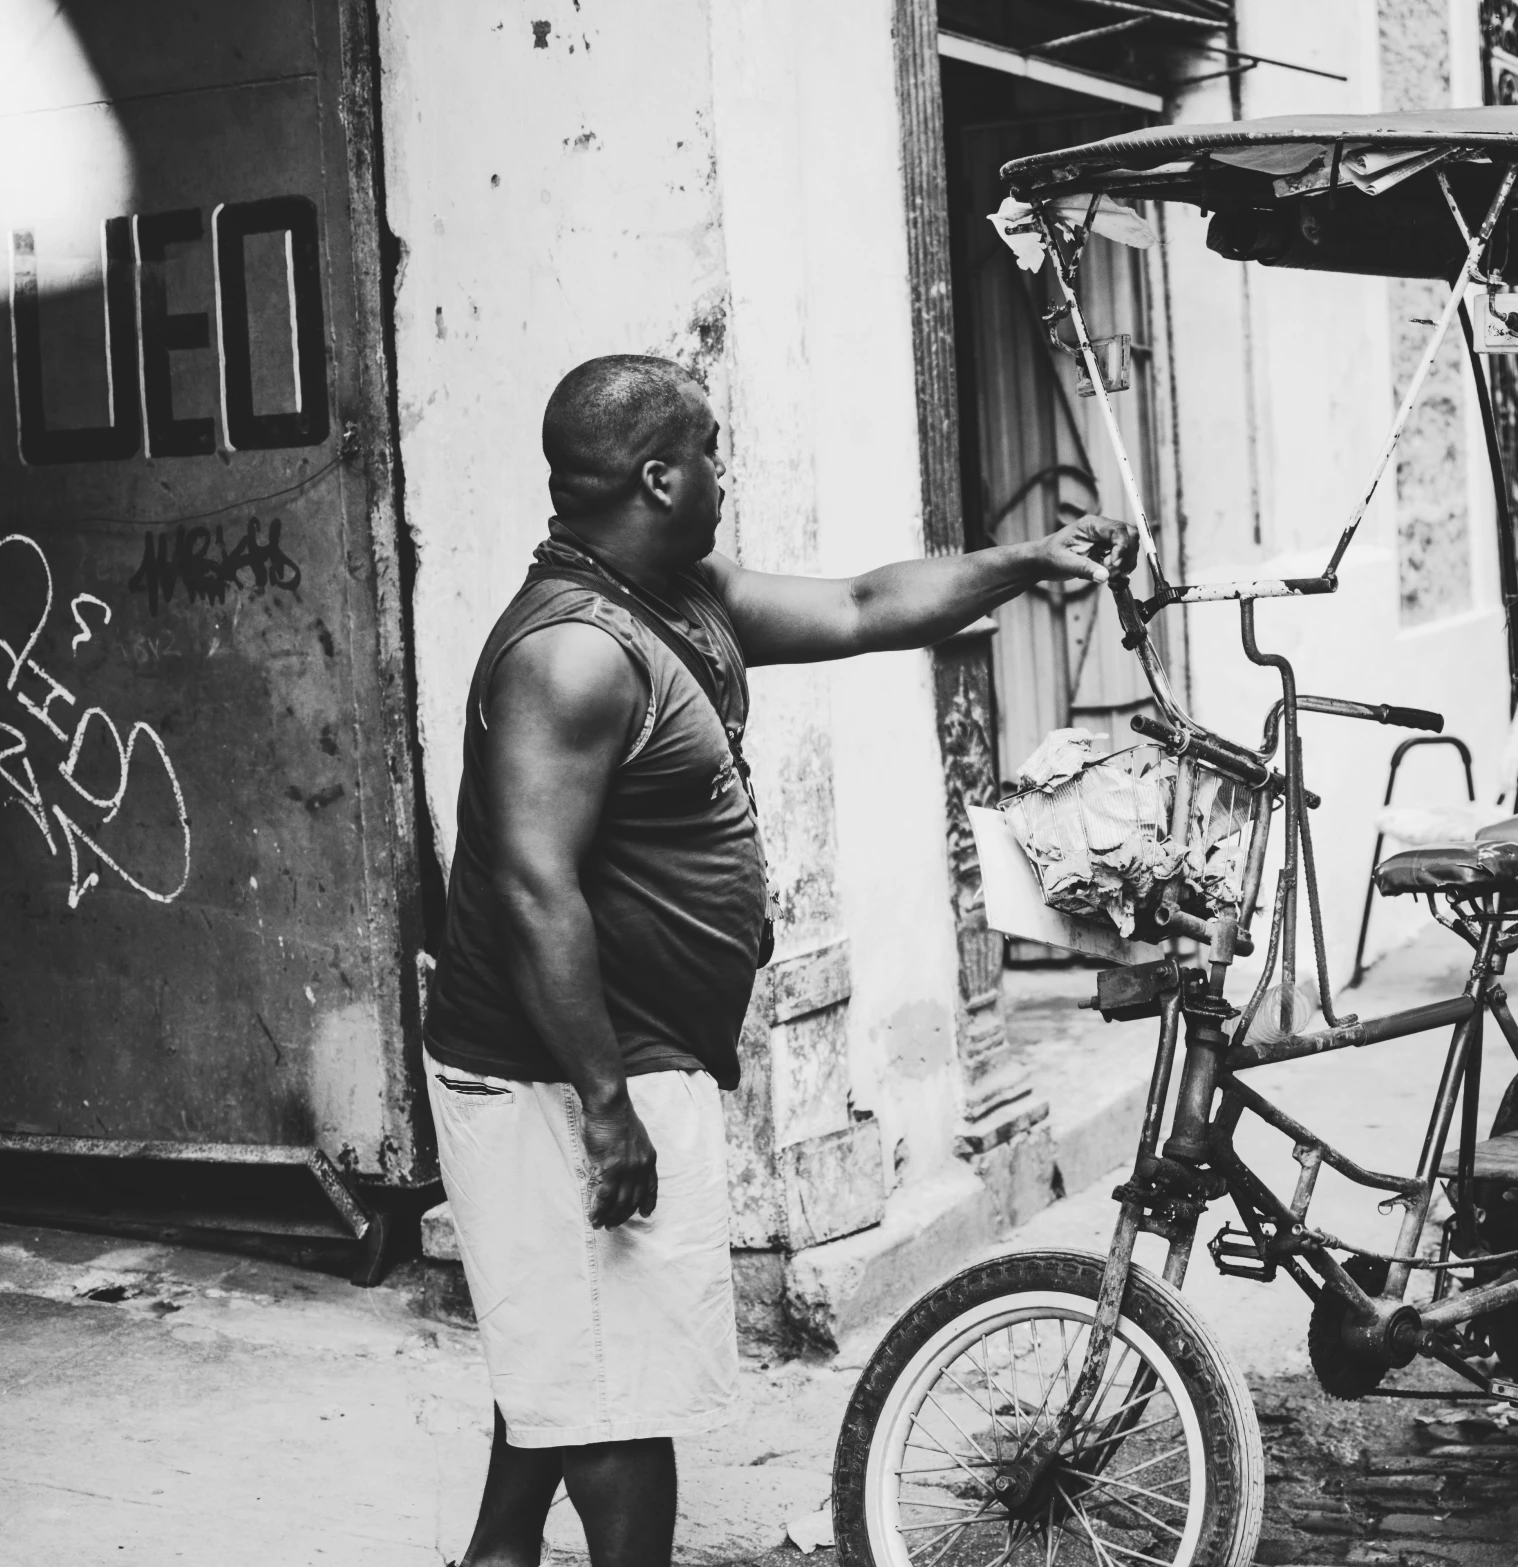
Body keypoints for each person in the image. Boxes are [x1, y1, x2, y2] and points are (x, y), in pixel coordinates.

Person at [422, 354, 1133, 1567]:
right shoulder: (572, 655)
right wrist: (605, 1105)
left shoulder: (676, 594)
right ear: (658, 473)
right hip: (557, 1075)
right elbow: (531, 887)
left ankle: (495, 1556)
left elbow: (862, 604)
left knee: (570, 1349)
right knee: (622, 1403)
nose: (721, 473)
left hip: (623, 1056)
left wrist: (1024, 561)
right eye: (710, 451)